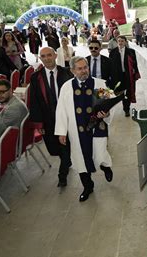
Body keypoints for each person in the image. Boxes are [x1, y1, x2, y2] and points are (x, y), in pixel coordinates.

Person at [55, 56, 114, 202]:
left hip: (97, 128)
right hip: (76, 130)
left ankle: (105, 166)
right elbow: (61, 110)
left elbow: (109, 104)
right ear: (73, 70)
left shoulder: (100, 83)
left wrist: (106, 114)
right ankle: (88, 186)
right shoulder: (66, 87)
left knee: (99, 153)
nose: (84, 71)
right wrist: (62, 132)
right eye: (80, 69)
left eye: (85, 67)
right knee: (80, 159)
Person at [29, 47, 73, 187]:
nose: (47, 58)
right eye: (43, 56)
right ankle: (66, 160)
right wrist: (39, 123)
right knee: (54, 148)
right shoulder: (36, 77)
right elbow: (34, 101)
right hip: (48, 119)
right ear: (40, 58)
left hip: (66, 117)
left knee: (64, 146)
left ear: (55, 56)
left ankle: (62, 174)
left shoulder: (66, 73)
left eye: (49, 55)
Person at [109, 35, 140, 117]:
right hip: (117, 76)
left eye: (122, 41)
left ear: (125, 42)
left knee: (128, 92)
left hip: (128, 75)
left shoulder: (131, 52)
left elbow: (135, 64)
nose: (120, 43)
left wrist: (136, 74)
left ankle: (126, 108)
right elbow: (110, 65)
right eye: (119, 41)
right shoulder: (113, 52)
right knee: (118, 91)